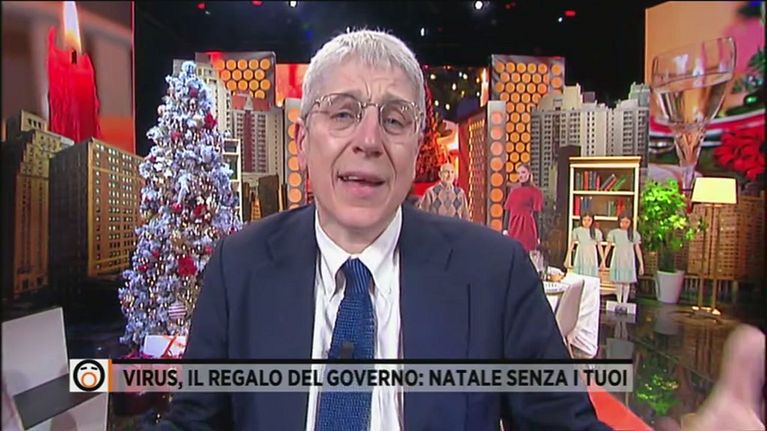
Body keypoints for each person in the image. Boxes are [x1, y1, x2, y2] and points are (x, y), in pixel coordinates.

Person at [155, 30, 765, 431]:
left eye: (395, 120)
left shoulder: (493, 272)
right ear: (301, 138)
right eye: (342, 113)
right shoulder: (240, 267)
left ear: (417, 144)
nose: (368, 140)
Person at [602, 213, 644, 304]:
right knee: (618, 282)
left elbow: (637, 249)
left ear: (630, 223)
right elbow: (608, 247)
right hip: (618, 258)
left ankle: (624, 302)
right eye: (622, 222)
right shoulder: (614, 233)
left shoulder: (634, 234)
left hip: (628, 259)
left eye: (627, 222)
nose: (624, 224)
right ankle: (618, 301)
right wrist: (603, 260)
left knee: (626, 282)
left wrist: (641, 263)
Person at [502, 164, 544, 253]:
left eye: (523, 172)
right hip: (513, 226)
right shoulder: (513, 191)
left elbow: (537, 216)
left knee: (526, 252)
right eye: (519, 173)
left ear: (529, 174)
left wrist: (538, 236)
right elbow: (507, 211)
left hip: (527, 227)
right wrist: (505, 229)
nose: (520, 175)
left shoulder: (536, 192)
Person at [565, 213, 605, 278]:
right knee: (579, 276)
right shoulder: (577, 231)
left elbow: (600, 247)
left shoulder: (596, 232)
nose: (586, 222)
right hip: (581, 254)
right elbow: (572, 245)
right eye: (584, 220)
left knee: (590, 276)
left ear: (592, 221)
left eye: (589, 220)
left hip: (591, 255)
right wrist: (567, 258)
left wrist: (603, 260)